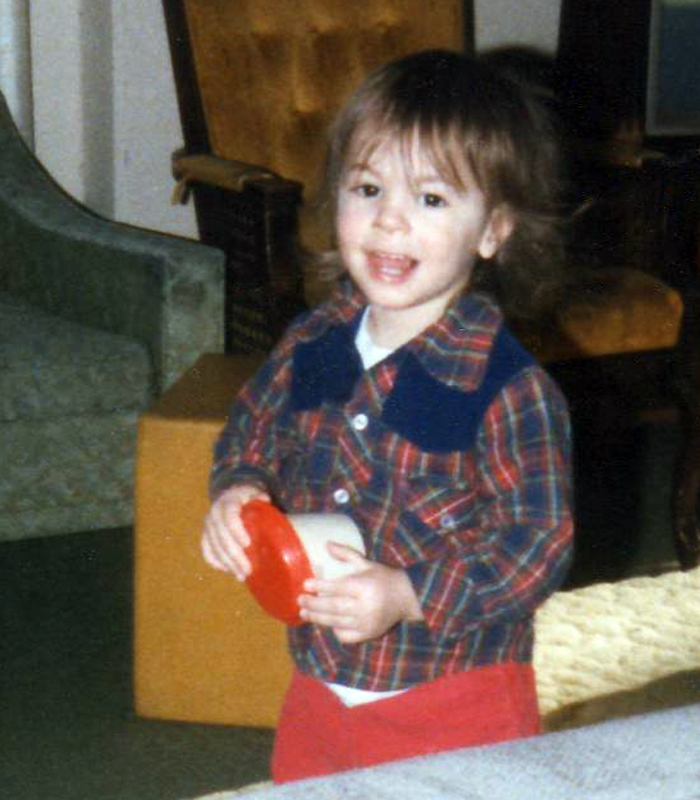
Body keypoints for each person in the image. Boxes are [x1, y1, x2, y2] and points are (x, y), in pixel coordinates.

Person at [202, 49, 573, 783]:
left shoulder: (509, 390)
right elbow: (250, 432)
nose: (389, 222)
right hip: (320, 684)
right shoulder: (312, 342)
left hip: (456, 701)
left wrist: (408, 595)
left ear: (493, 230)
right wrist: (237, 490)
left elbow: (536, 546)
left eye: (431, 200)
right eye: (367, 189)